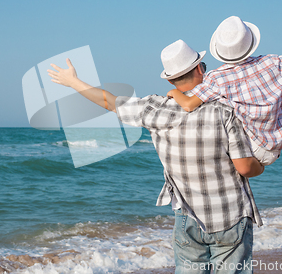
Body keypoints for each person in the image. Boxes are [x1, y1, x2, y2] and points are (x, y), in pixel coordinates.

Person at [48, 39, 265, 273]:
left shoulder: (154, 109)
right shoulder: (224, 110)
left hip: (188, 218)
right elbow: (244, 167)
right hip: (230, 216)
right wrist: (261, 165)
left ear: (170, 80)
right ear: (201, 69)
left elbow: (108, 101)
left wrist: (73, 81)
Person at [167, 17, 282, 165]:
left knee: (218, 107)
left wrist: (173, 93)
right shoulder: (271, 63)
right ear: (249, 43)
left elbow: (189, 105)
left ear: (219, 49)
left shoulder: (217, 78)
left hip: (250, 148)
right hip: (274, 147)